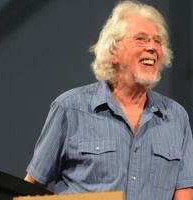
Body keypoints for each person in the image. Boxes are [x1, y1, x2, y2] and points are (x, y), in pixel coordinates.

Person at [24, 1, 193, 199]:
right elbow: (31, 187)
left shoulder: (176, 117)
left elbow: (184, 194)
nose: (152, 47)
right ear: (113, 51)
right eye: (141, 39)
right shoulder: (70, 108)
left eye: (157, 41)